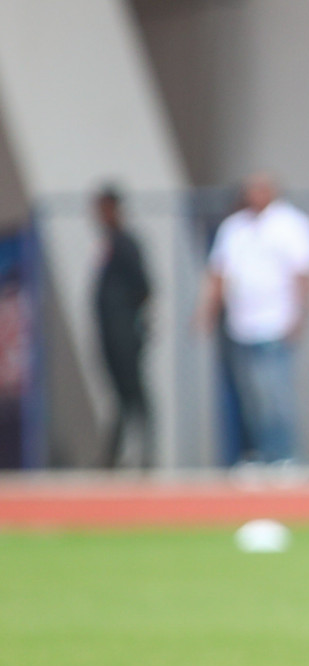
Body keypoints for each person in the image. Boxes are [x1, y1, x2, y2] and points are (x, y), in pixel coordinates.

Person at [196, 173, 309, 465]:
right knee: (251, 397)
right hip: (242, 325)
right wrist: (207, 312)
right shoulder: (234, 227)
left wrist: (300, 314)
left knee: (276, 394)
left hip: (276, 323)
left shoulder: (292, 225)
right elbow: (219, 273)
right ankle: (261, 453)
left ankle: (285, 455)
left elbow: (304, 273)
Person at [92, 185, 153, 469]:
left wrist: (128, 321)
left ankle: (147, 454)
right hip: (111, 331)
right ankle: (113, 456)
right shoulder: (110, 241)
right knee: (119, 396)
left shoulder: (125, 243)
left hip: (124, 332)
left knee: (134, 392)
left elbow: (144, 286)